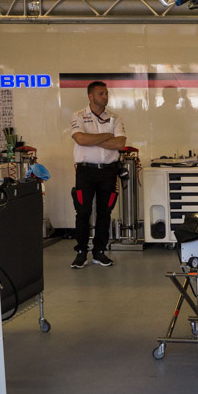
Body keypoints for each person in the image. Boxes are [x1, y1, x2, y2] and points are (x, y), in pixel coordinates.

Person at [69, 81, 126, 268]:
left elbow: (120, 144)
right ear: (90, 96)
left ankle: (99, 252)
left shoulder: (115, 118)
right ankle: (81, 252)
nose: (105, 97)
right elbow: (80, 139)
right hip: (85, 171)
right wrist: (107, 136)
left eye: (106, 93)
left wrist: (92, 140)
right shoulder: (78, 116)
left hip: (108, 171)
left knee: (105, 212)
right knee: (83, 212)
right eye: (101, 93)